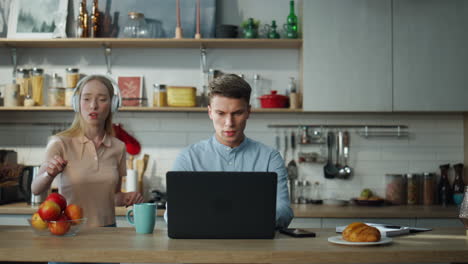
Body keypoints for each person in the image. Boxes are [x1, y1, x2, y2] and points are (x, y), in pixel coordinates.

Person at [170, 74, 293, 228]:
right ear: (210, 112)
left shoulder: (270, 157)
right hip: (203, 249)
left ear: (248, 112)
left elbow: (283, 211)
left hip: (258, 249)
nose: (229, 123)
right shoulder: (188, 158)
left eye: (237, 113)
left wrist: (222, 219)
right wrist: (245, 218)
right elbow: (172, 214)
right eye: (220, 113)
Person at [31, 75, 144, 229]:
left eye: (102, 99)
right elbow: (36, 189)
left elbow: (113, 196)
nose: (93, 106)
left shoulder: (118, 147)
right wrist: (48, 174)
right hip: (70, 231)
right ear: (77, 103)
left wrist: (127, 197)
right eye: (86, 99)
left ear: (113, 104)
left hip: (108, 231)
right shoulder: (59, 143)